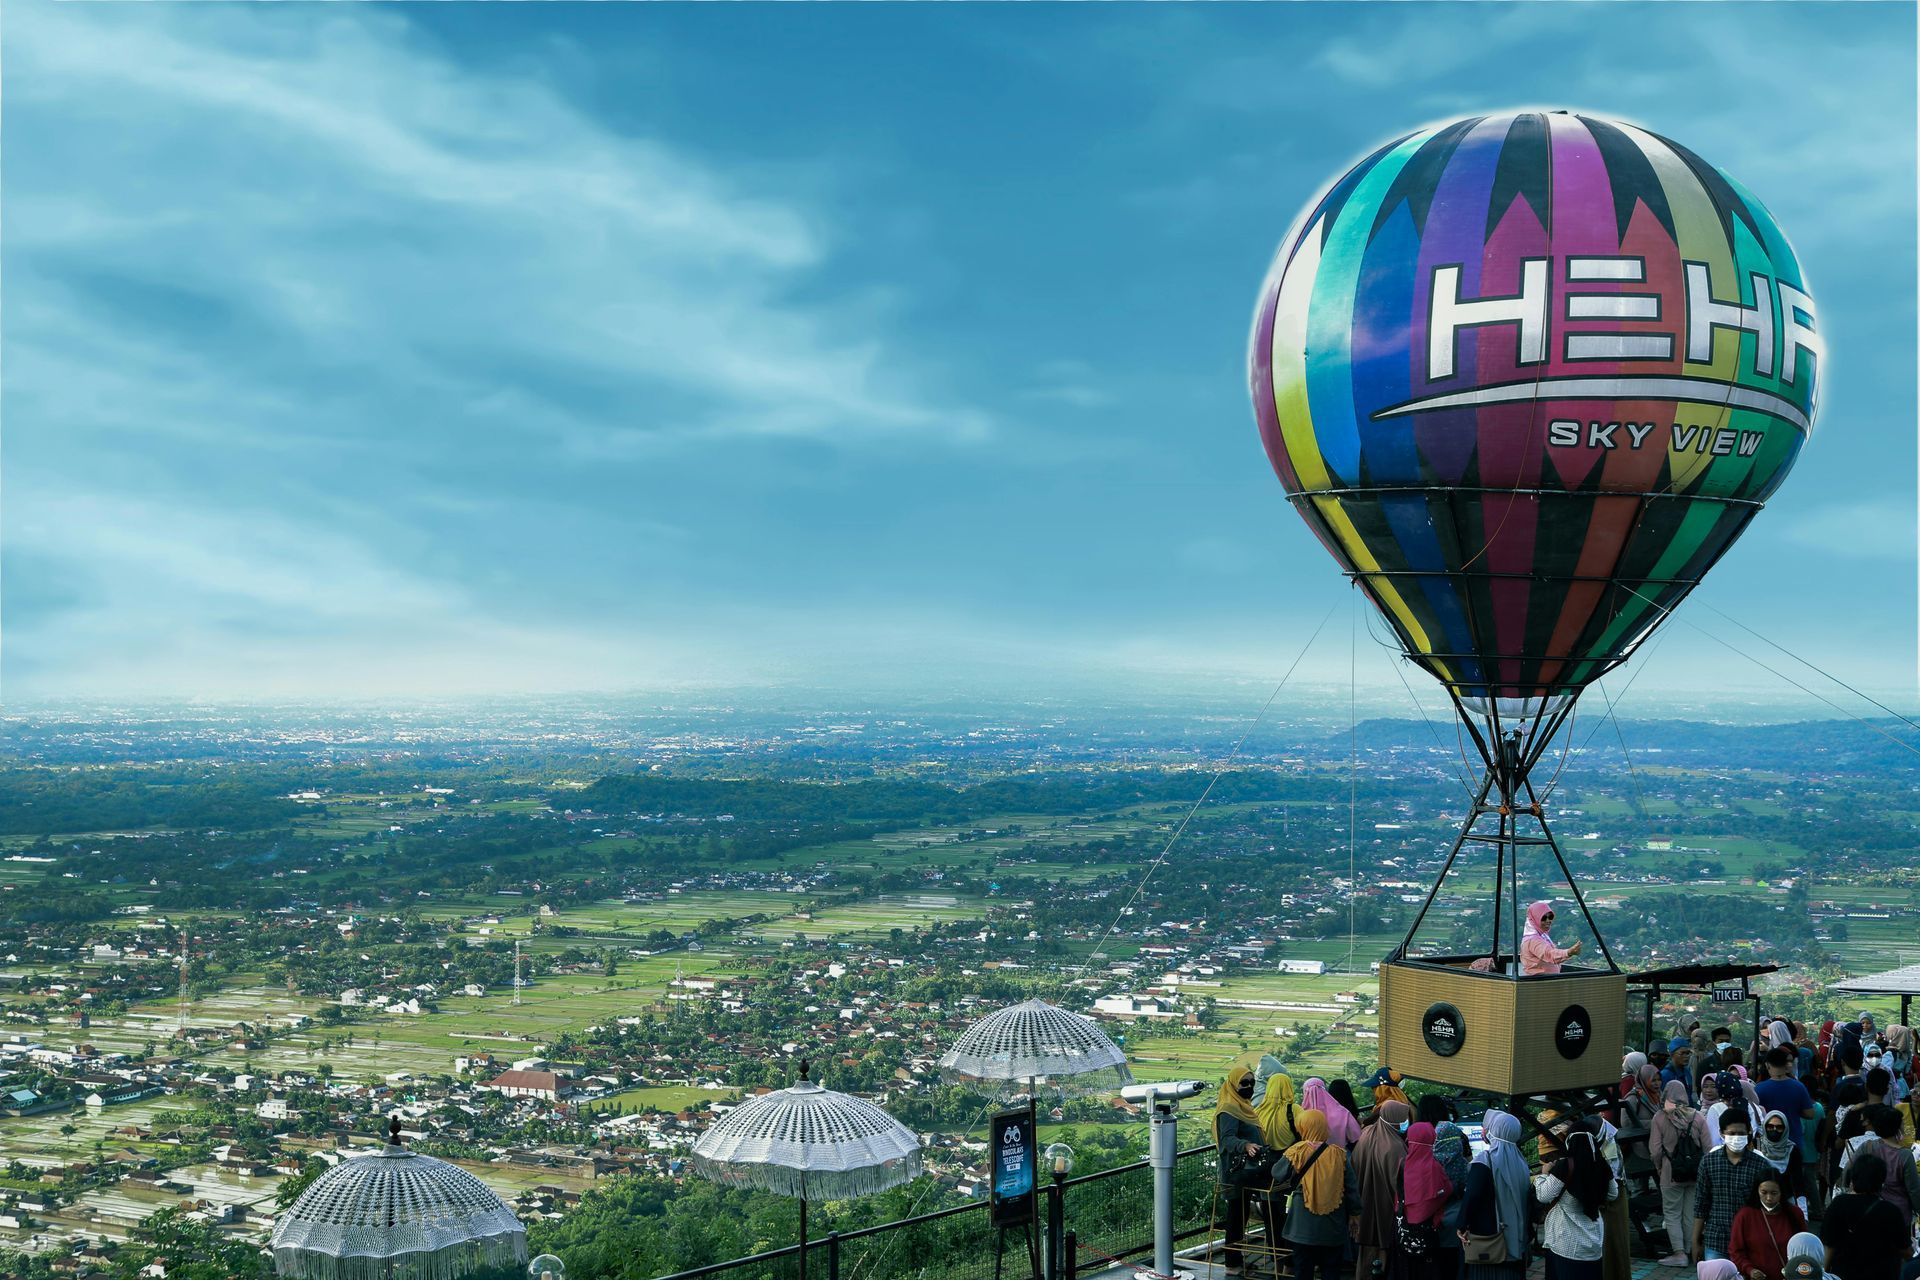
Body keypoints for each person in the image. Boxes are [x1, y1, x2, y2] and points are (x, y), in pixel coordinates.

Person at [1278, 1107, 1359, 1280]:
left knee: (1303, 1271)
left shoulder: (1297, 1151)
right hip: (1333, 1227)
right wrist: (1355, 1214)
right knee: (1331, 1271)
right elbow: (1352, 1189)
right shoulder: (1339, 1154)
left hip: (1302, 1227)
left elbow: (1277, 1173)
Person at [1534, 1128, 1617, 1279]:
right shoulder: (1602, 1165)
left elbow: (1543, 1196)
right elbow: (1613, 1194)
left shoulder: (1565, 1166)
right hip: (1594, 1241)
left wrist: (1543, 1174)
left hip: (1565, 1242)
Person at [1458, 1109, 1529, 1279]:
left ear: (1494, 1130)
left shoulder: (1485, 1160)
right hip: (1517, 1241)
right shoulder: (1522, 1162)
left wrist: (1461, 1224)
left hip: (1491, 1241)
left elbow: (1472, 1196)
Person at [1695, 1112, 1770, 1263]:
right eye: (1732, 1133)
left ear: (1749, 1132)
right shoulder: (1709, 1163)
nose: (1736, 1137)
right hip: (1716, 1240)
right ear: (1722, 1133)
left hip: (1750, 1241)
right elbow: (1701, 1204)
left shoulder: (1761, 1165)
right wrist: (1695, 1241)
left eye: (1741, 1133)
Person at [1819, 1153, 1908, 1280]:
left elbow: (1829, 1245)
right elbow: (1905, 1249)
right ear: (1881, 1181)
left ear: (1853, 1178)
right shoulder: (1891, 1211)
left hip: (1844, 1274)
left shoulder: (1838, 1204)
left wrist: (1825, 1273)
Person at [1216, 1066, 1268, 1277]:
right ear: (1232, 1084)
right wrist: (1245, 1145)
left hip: (1246, 1172)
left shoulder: (1243, 1106)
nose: (1248, 1087)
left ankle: (1238, 1260)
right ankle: (1232, 1263)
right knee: (1236, 1217)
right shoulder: (1228, 1108)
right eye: (1243, 1083)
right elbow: (1227, 1138)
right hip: (1236, 1172)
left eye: (1251, 1082)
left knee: (1242, 1216)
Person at [1651, 1079, 1709, 1267]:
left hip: (1670, 1173)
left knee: (1672, 1213)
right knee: (1690, 1212)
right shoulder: (1697, 1116)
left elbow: (1656, 1151)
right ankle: (1690, 1249)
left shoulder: (1660, 1117)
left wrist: (1660, 1168)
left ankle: (1679, 1253)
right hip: (1695, 1173)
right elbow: (1709, 1148)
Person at [1353, 1098, 1411, 1277]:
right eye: (1403, 1119)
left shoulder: (1366, 1133)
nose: (1405, 1123)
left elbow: (1354, 1164)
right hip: (1386, 1208)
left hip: (1363, 1202)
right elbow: (1401, 1184)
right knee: (1385, 1253)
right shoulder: (1395, 1146)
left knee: (1366, 1254)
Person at [1392, 1121, 1454, 1280]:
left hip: (1403, 1227)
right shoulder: (1434, 1166)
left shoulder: (1403, 1163)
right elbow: (1447, 1190)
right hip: (1427, 1229)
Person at [1416, 1095, 1468, 1280]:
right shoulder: (1458, 1137)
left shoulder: (1421, 1144)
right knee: (1453, 1264)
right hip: (1455, 1212)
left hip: (1429, 1215)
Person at [1727, 1176, 1806, 1280]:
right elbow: (1735, 1251)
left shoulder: (1795, 1214)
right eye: (1764, 1192)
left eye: (1774, 1193)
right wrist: (1750, 1270)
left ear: (1781, 1193)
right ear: (1757, 1192)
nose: (1768, 1198)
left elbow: (1805, 1247)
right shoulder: (1745, 1215)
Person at [1753, 1112, 1806, 1217]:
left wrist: (1804, 1213)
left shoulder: (1792, 1150)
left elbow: (1798, 1182)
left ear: (1785, 1129)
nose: (1774, 1130)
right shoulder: (1756, 1145)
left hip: (1785, 1203)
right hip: (1759, 1204)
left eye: (1779, 1127)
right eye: (1770, 1126)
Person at [1521, 901, 1581, 975]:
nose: (1548, 920)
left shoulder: (1541, 936)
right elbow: (1549, 954)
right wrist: (1568, 952)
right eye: (1543, 918)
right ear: (1535, 919)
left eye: (1550, 917)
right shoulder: (1533, 940)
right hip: (1539, 984)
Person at [1302, 1077, 1362, 1149]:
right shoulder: (1343, 1112)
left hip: (1308, 1156)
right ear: (1324, 1089)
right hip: (1338, 1156)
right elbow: (1356, 1136)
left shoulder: (1300, 1114)